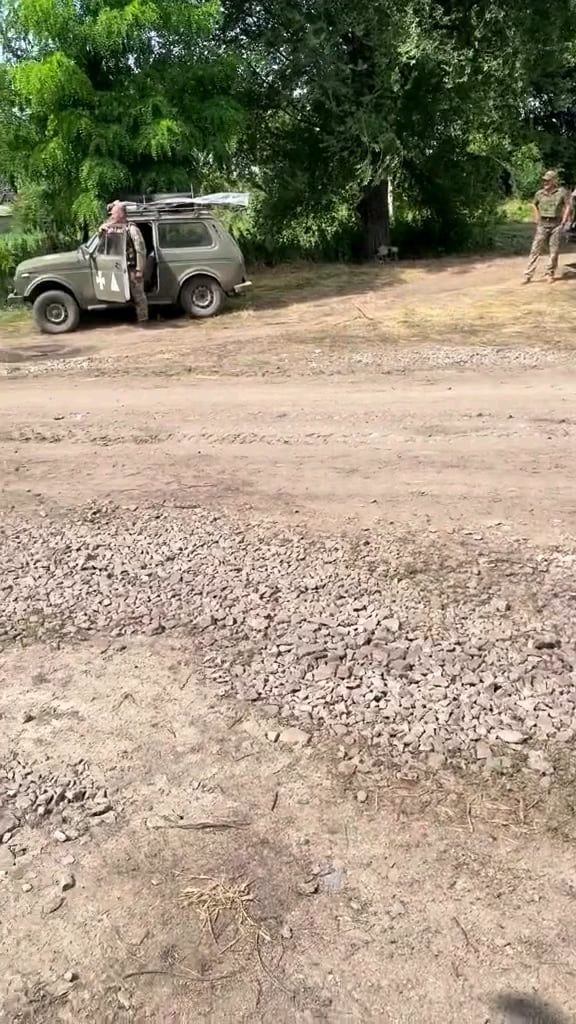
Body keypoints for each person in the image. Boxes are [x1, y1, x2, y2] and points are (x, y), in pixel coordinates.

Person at [99, 200, 148, 323]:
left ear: (121, 214)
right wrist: (101, 230)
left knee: (138, 295)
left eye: (114, 214)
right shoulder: (111, 228)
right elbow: (103, 243)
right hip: (118, 267)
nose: (112, 216)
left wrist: (139, 269)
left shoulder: (131, 229)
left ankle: (143, 320)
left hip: (131, 268)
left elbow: (140, 250)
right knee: (122, 294)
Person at [523, 171, 571, 284]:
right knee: (535, 249)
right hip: (543, 224)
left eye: (548, 180)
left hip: (556, 224)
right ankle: (528, 274)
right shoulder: (539, 193)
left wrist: (564, 219)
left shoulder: (561, 192)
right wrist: (536, 217)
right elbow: (533, 204)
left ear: (554, 181)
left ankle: (550, 273)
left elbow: (568, 204)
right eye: (544, 180)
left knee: (554, 251)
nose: (545, 182)